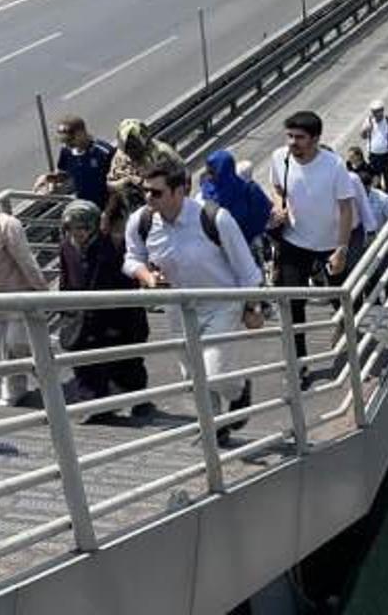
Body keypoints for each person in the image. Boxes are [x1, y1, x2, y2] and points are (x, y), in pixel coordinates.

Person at [123, 162, 263, 446]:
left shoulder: (214, 218)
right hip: (177, 307)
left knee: (215, 371)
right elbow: (131, 258)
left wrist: (253, 307)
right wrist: (147, 276)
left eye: (156, 193)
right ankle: (215, 427)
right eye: (145, 192)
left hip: (221, 303)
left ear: (179, 191)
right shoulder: (142, 221)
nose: (148, 198)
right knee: (193, 375)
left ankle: (239, 391)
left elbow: (247, 270)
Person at [266, 111, 355, 370]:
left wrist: (341, 249)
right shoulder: (279, 158)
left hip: (329, 244)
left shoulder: (334, 165)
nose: (293, 142)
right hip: (295, 242)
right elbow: (277, 187)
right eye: (290, 136)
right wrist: (278, 206)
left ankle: (349, 342)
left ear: (315, 139)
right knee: (293, 304)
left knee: (342, 299)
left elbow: (346, 208)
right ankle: (299, 364)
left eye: (300, 137)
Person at [57, 200, 152, 421]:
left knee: (127, 362)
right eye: (71, 228)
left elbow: (128, 284)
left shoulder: (115, 245)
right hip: (81, 314)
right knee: (84, 362)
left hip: (115, 314)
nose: (77, 233)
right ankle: (94, 405)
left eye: (82, 228)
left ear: (93, 226)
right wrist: (64, 311)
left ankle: (139, 399)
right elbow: (65, 279)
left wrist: (125, 318)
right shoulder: (66, 246)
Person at [0, 166, 47, 407]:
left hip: (16, 300)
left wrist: (45, 298)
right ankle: (13, 389)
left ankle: (45, 370)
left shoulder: (7, 225)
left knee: (17, 343)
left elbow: (28, 265)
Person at [198, 150, 273, 248]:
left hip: (249, 247)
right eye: (208, 171)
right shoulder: (206, 192)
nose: (210, 177)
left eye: (212, 172)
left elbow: (266, 215)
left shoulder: (249, 191)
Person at [36, 115, 115, 208]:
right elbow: (64, 174)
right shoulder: (67, 151)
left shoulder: (103, 152)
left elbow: (121, 181)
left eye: (69, 140)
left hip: (110, 207)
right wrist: (48, 178)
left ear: (81, 133)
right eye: (64, 141)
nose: (67, 144)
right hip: (87, 208)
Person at [107, 118, 182, 199]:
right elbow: (110, 185)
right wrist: (125, 182)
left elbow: (182, 173)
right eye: (128, 145)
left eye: (134, 143)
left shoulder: (161, 151)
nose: (131, 149)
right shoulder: (120, 157)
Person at [359, 99, 388, 195]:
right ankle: (378, 198)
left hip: (387, 155)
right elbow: (363, 136)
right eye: (374, 112)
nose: (376, 114)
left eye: (378, 111)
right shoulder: (368, 121)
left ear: (382, 111)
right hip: (374, 156)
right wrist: (366, 130)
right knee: (375, 180)